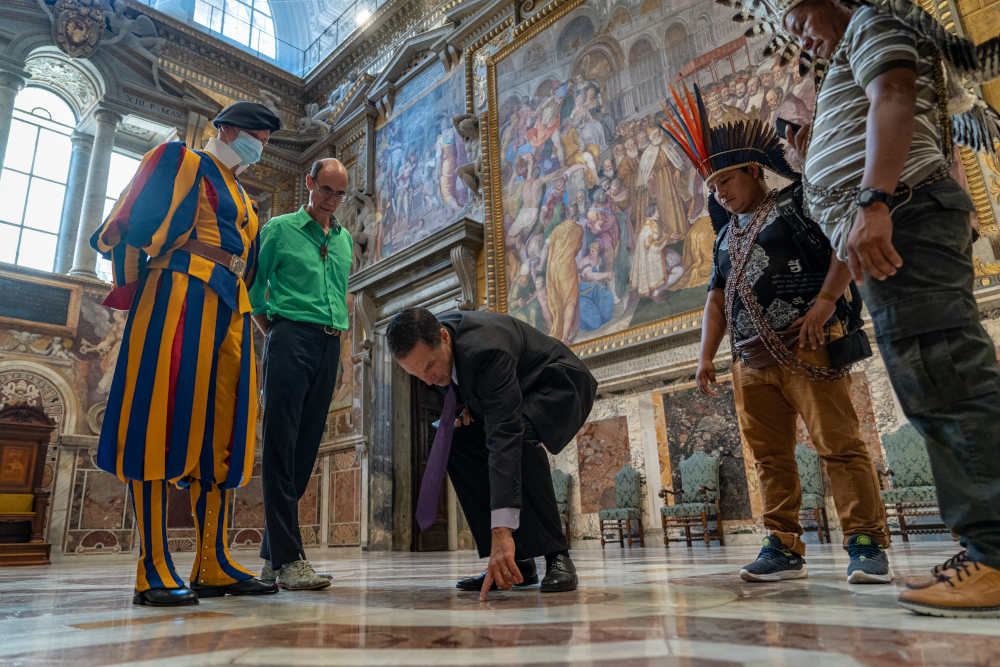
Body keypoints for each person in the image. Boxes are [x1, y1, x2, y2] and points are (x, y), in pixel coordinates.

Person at [769, 0, 1000, 616]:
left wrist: (872, 198)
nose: (798, 40)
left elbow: (894, 91)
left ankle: (998, 552)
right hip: (888, 226)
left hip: (905, 217)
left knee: (947, 375)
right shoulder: (850, 51)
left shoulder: (872, 20)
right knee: (931, 384)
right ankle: (984, 543)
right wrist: (820, 168)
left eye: (799, 22)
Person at [659, 86, 893, 584]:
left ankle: (866, 542)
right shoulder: (724, 236)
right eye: (713, 186)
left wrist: (827, 301)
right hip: (749, 363)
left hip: (808, 348)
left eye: (726, 180)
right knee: (769, 459)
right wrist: (706, 356)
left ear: (753, 170)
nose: (720, 192)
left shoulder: (798, 202)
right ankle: (783, 546)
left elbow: (843, 240)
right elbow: (717, 298)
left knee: (839, 446)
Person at [90, 101, 281, 606]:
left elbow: (250, 262)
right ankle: (152, 564)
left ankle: (211, 561)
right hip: (178, 288)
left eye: (264, 140)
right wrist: (140, 297)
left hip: (231, 304)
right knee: (156, 415)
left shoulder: (244, 195)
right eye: (256, 136)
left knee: (225, 432)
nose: (259, 147)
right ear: (229, 129)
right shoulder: (181, 159)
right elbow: (131, 229)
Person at [387, 308, 598, 601]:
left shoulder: (485, 348)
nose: (428, 380)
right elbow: (466, 385)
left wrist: (502, 529)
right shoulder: (433, 345)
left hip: (555, 385)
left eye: (430, 366)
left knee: (518, 436)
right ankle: (515, 563)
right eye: (416, 374)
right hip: (514, 391)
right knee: (457, 443)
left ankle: (556, 555)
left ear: (444, 338)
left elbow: (505, 435)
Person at [248, 158, 352, 591]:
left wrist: (334, 345)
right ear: (309, 183)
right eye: (326, 190)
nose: (332, 201)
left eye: (340, 194)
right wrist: (277, 336)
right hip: (289, 336)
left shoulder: (345, 240)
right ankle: (291, 560)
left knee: (305, 451)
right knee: (280, 444)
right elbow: (253, 292)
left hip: (330, 343)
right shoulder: (278, 230)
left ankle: (274, 558)